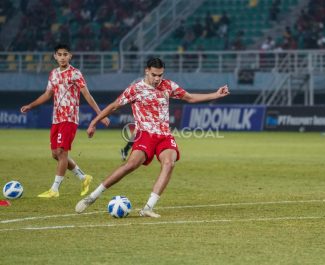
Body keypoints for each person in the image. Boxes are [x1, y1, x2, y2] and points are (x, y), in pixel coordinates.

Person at [75, 58, 229, 217]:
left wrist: (216, 94)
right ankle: (92, 197)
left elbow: (190, 98)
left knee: (169, 163)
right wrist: (94, 122)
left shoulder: (168, 85)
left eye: (160, 75)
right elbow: (114, 105)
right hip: (145, 135)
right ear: (147, 71)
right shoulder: (136, 89)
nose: (157, 79)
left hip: (164, 135)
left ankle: (148, 207)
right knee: (131, 165)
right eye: (154, 75)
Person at [20, 44, 110, 198]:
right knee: (55, 154)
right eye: (59, 54)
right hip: (56, 118)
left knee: (62, 152)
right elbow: (47, 94)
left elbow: (87, 95)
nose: (62, 57)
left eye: (65, 54)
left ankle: (54, 190)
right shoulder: (53, 74)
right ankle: (83, 177)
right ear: (55, 56)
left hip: (69, 118)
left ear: (70, 56)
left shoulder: (75, 74)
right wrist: (31, 105)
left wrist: (101, 115)